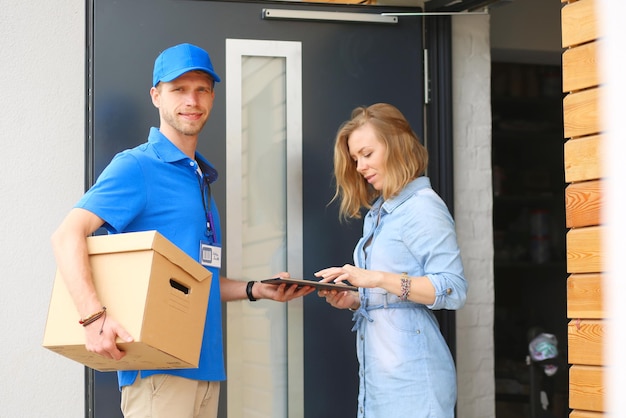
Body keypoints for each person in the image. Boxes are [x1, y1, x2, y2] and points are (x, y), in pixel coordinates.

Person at [51, 43, 313, 418]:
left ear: (212, 97)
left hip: (205, 370)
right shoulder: (137, 166)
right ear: (156, 95)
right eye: (179, 89)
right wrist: (93, 319)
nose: (192, 100)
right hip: (159, 372)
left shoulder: (199, 178)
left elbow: (195, 279)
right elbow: (66, 235)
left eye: (202, 89)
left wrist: (256, 289)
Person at [315, 103, 468, 418]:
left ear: (397, 146)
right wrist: (356, 298)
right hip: (380, 377)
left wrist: (375, 279)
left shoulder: (423, 208)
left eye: (367, 154)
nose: (359, 166)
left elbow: (453, 289)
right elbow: (395, 293)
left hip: (414, 378)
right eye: (356, 158)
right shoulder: (380, 214)